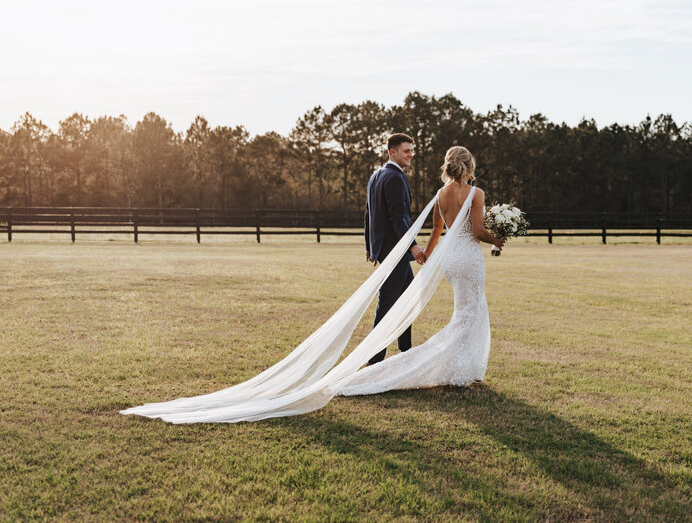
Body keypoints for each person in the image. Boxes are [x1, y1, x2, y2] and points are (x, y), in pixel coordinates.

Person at [120, 146, 506, 423]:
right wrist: (497, 238)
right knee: (437, 311)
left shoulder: (431, 192)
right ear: (468, 167)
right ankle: (386, 368)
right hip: (459, 258)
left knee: (430, 310)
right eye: (406, 151)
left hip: (444, 259)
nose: (409, 157)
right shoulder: (458, 189)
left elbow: (421, 226)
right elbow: (453, 227)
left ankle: (426, 362)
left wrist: (423, 254)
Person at [335, 146, 504, 395]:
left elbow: (436, 231)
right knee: (467, 314)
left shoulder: (440, 194)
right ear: (469, 167)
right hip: (468, 258)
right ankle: (444, 366)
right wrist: (497, 240)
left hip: (450, 259)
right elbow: (478, 231)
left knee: (471, 309)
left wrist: (428, 254)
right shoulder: (476, 193)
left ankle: (468, 367)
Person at [364, 133, 427, 365]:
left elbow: (369, 214)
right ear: (393, 152)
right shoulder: (394, 177)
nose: (411, 155)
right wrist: (412, 246)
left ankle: (405, 349)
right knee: (388, 303)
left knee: (407, 298)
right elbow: (398, 217)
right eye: (406, 151)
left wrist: (370, 247)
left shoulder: (376, 175)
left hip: (386, 250)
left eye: (411, 150)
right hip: (396, 251)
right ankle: (374, 358)